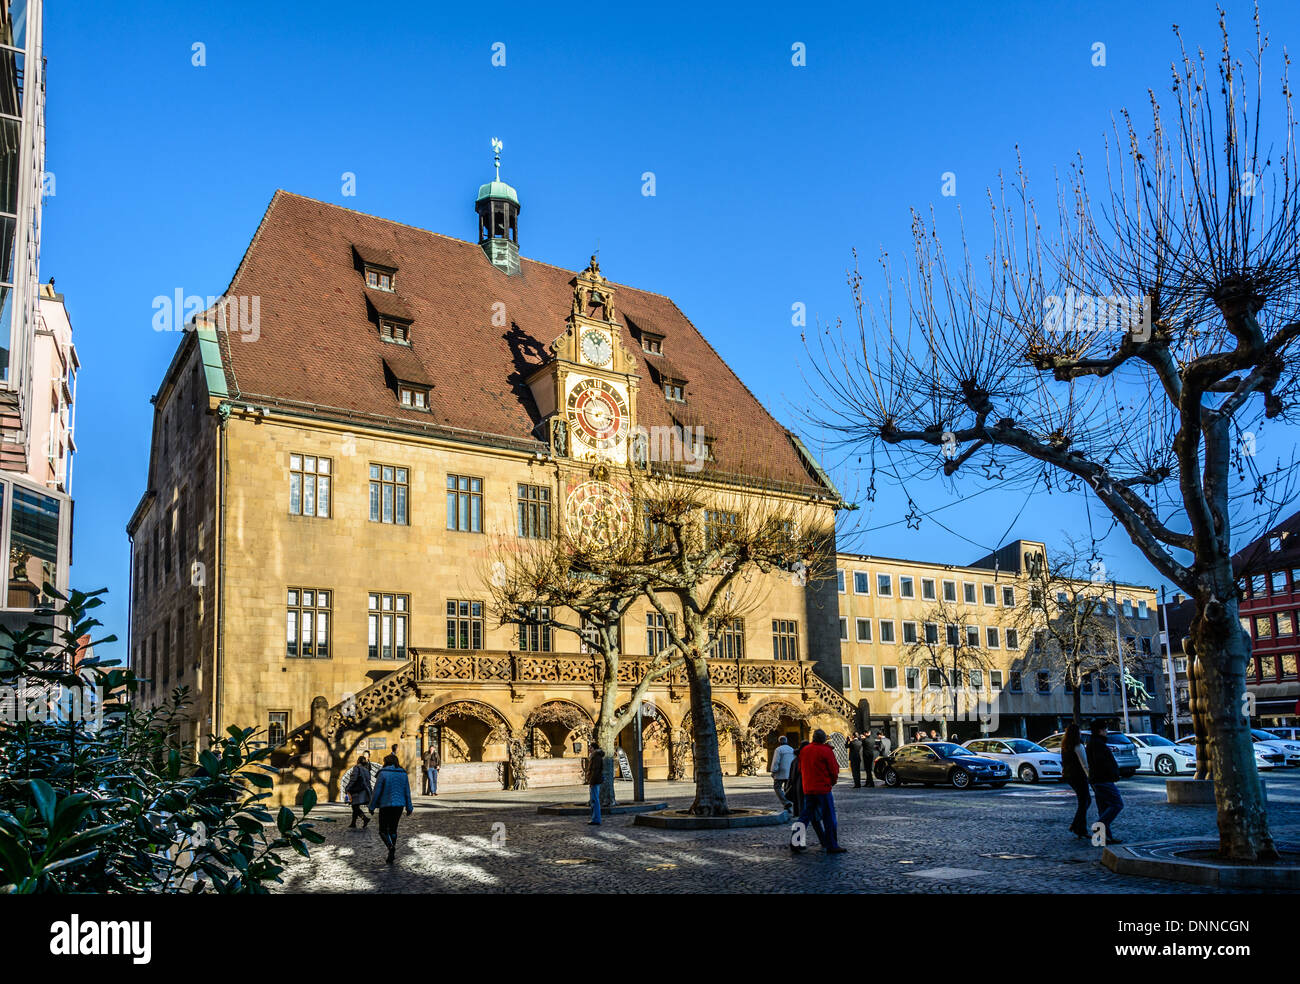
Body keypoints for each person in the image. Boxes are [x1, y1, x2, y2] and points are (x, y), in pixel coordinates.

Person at [791, 730, 846, 854]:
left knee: (804, 816)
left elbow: (800, 768)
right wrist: (832, 782)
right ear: (823, 739)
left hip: (808, 788)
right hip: (823, 788)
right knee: (829, 817)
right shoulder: (826, 751)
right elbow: (834, 770)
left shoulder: (805, 750)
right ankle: (831, 844)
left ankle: (795, 841)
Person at [368, 754, 413, 864]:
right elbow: (407, 791)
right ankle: (391, 853)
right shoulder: (403, 773)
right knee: (393, 829)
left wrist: (372, 806)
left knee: (383, 830)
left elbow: (376, 792)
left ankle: (390, 847)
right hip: (399, 806)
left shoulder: (383, 773)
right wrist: (409, 806)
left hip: (386, 805)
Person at [1087, 719, 1124, 844]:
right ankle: (1100, 826)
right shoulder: (1098, 744)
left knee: (1103, 808)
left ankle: (1104, 838)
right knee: (1117, 804)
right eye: (1105, 729)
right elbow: (1102, 763)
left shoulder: (1093, 743)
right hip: (1103, 779)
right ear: (1100, 730)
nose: (1106, 732)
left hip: (1097, 779)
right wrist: (1112, 774)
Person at [1061, 722, 1091, 839]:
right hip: (1079, 776)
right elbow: (1084, 764)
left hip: (1070, 776)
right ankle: (1077, 827)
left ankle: (1078, 827)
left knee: (1084, 801)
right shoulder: (1078, 746)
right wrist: (1090, 776)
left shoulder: (1065, 746)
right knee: (1085, 801)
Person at [345, 753, 372, 829]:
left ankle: (364, 819)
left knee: (355, 806)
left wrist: (347, 788)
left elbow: (353, 779)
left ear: (358, 761)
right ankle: (354, 823)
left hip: (357, 790)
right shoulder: (366, 770)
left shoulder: (357, 768)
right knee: (355, 806)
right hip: (363, 790)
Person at [787, 739, 811, 819]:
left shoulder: (796, 759)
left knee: (800, 799)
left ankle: (800, 813)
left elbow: (792, 774)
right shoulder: (807, 758)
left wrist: (790, 783)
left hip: (799, 782)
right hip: (805, 781)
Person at [770, 735, 795, 810]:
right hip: (789, 772)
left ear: (779, 742)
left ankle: (786, 802)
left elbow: (776, 761)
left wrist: (773, 770)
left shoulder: (778, 749)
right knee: (787, 789)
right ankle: (789, 804)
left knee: (777, 787)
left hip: (780, 772)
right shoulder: (791, 749)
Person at [587, 747, 606, 825]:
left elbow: (595, 770)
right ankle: (595, 818)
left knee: (595, 800)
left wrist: (591, 781)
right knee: (594, 800)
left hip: (595, 781)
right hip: (595, 780)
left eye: (590, 747)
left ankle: (596, 819)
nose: (589, 749)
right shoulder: (595, 756)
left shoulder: (596, 757)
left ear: (594, 748)